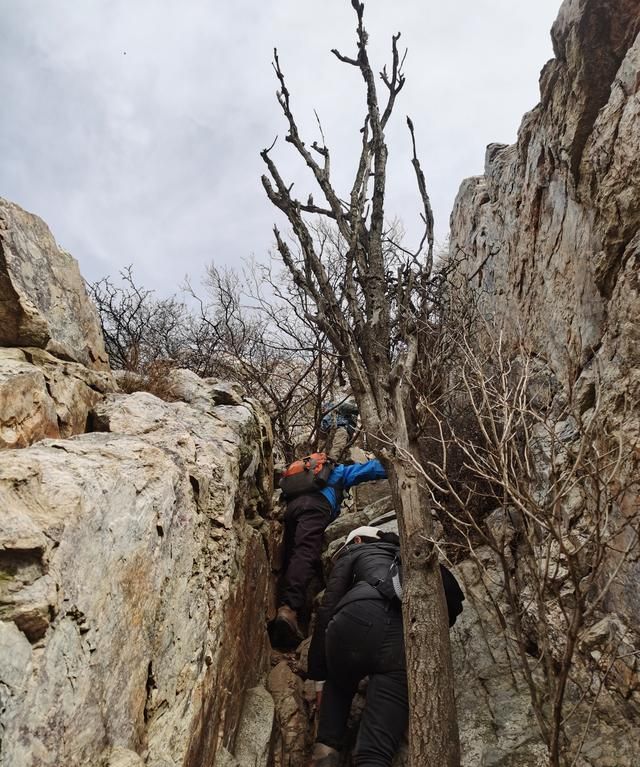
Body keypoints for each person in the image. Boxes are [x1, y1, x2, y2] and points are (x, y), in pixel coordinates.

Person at [306, 526, 464, 767]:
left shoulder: (357, 551)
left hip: (357, 617)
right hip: (403, 639)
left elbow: (327, 609)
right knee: (375, 754)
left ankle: (325, 750)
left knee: (338, 684)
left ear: (357, 539)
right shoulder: (413, 561)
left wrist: (318, 677)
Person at [271, 460, 387, 651]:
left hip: (292, 509)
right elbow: (369, 469)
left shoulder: (303, 475)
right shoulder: (338, 471)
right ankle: (288, 609)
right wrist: (393, 466)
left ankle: (288, 616)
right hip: (316, 507)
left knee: (294, 556)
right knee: (305, 553)